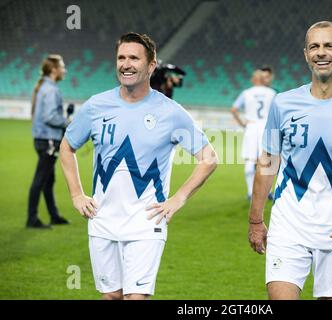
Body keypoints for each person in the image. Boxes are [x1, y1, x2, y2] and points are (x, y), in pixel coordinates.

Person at [60, 32, 218, 300]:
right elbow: (66, 147)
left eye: (134, 58)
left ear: (151, 65)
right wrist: (76, 194)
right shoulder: (97, 105)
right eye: (121, 57)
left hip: (147, 222)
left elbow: (209, 158)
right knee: (110, 296)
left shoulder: (170, 111)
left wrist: (178, 199)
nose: (126, 64)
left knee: (135, 297)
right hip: (102, 219)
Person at [248, 21, 332, 300]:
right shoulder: (282, 104)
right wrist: (255, 220)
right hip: (288, 224)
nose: (321, 52)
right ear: (306, 54)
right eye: (315, 47)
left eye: (329, 46)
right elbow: (267, 163)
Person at [27, 54, 70, 229]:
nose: (64, 70)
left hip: (42, 138)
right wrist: (68, 122)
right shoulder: (51, 89)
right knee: (40, 180)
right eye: (62, 66)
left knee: (48, 180)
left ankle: (53, 215)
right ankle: (32, 219)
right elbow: (50, 116)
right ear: (54, 70)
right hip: (49, 140)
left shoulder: (43, 87)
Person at [230, 70, 276, 200]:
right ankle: (268, 192)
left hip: (251, 126)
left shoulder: (246, 93)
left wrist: (243, 124)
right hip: (267, 126)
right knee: (268, 159)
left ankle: (251, 193)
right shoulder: (272, 93)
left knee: (250, 160)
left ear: (255, 79)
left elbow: (233, 109)